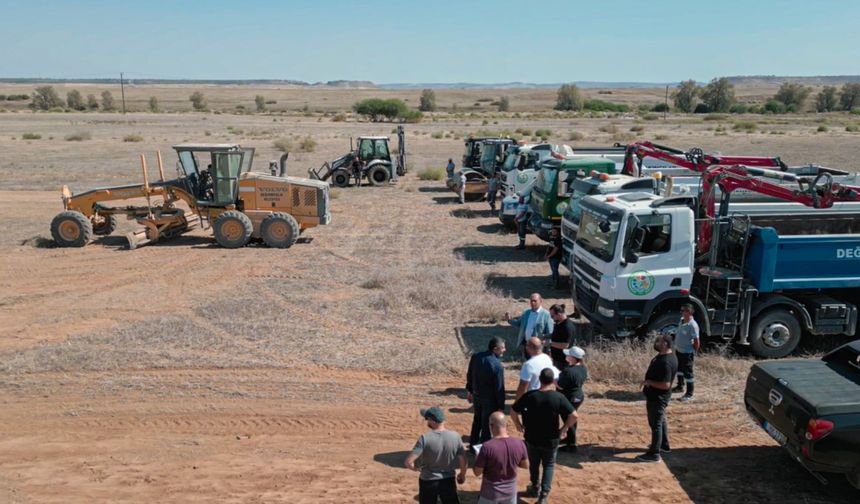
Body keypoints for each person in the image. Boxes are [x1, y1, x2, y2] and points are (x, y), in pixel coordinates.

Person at [511, 368, 578, 504]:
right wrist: (564, 428)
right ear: (553, 381)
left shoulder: (529, 396)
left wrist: (518, 424)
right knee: (548, 465)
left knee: (534, 464)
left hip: (532, 437)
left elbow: (513, 411)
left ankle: (534, 486)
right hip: (551, 439)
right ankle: (544, 495)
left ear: (540, 380)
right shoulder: (558, 397)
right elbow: (574, 415)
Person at [405, 406, 468, 504]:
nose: (427, 422)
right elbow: (463, 461)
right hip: (448, 480)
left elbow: (408, 462)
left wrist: (416, 468)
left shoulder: (424, 438)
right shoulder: (455, 436)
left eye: (427, 419)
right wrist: (462, 475)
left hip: (428, 480)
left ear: (432, 421)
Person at [636, 333, 679, 463]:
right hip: (657, 397)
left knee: (656, 424)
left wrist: (649, 383)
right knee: (661, 421)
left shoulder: (666, 361)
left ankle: (654, 454)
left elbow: (666, 385)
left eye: (658, 342)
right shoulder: (667, 356)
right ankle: (663, 445)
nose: (656, 343)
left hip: (658, 398)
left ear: (665, 344)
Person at [473, 411, 529, 504]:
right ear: (506, 425)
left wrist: (477, 457)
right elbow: (526, 465)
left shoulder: (487, 447)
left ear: (491, 426)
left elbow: (477, 472)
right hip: (510, 494)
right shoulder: (520, 443)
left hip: (490, 495)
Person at [465, 337, 506, 448]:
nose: (504, 350)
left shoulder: (476, 357)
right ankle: (484, 450)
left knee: (477, 421)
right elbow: (499, 388)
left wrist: (470, 391)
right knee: (487, 425)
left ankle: (473, 446)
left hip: (477, 396)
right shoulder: (497, 366)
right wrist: (501, 406)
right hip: (489, 400)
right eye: (502, 348)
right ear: (495, 348)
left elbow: (470, 375)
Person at [557, 346, 588, 453]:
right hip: (578, 396)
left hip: (569, 397)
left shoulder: (568, 371)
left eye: (568, 355)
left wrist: (552, 380)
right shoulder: (583, 368)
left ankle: (571, 444)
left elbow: (560, 386)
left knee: (568, 418)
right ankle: (569, 439)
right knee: (571, 418)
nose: (566, 356)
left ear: (573, 358)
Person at [506, 293, 553, 360]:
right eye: (531, 301)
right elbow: (519, 323)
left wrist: (548, 347)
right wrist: (509, 320)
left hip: (539, 346)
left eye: (535, 301)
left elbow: (550, 332)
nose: (533, 303)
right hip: (527, 344)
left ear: (540, 301)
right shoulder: (526, 313)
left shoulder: (546, 315)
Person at [515, 337, 559, 402]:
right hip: (547, 396)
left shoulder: (528, 365)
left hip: (534, 398)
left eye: (527, 345)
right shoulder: (547, 358)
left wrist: (517, 403)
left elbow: (523, 387)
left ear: (529, 348)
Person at [673, 304, 700, 402]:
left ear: (691, 312)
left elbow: (696, 341)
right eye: (682, 310)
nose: (683, 312)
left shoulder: (693, 325)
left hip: (687, 353)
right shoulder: (681, 320)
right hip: (679, 350)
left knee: (688, 373)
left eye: (686, 311)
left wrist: (694, 351)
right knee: (679, 369)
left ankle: (689, 394)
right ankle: (680, 386)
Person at [548, 304, 576, 371]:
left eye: (552, 316)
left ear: (559, 314)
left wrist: (550, 343)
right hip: (557, 358)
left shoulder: (567, 327)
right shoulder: (559, 323)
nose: (552, 318)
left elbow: (565, 345)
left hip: (563, 361)